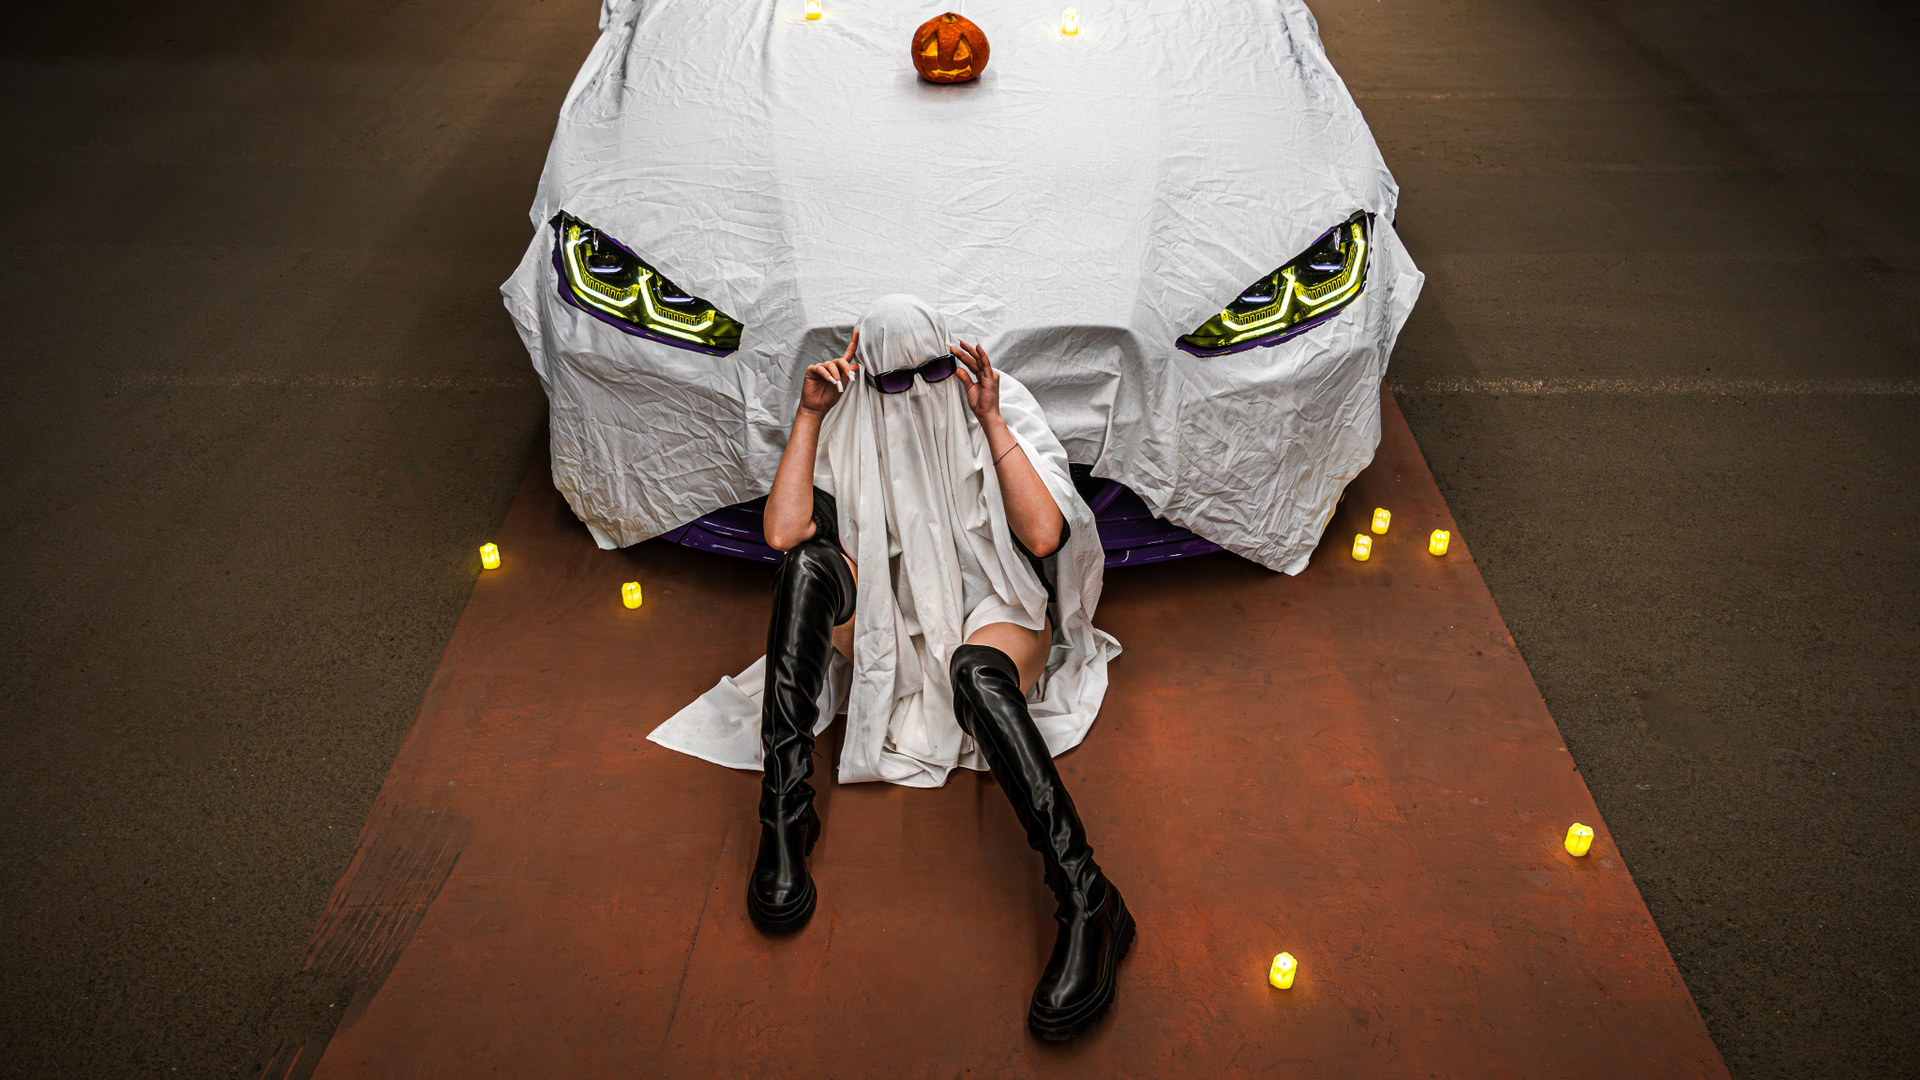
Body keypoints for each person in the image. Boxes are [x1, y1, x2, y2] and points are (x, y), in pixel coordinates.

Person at [650, 295, 1129, 1040]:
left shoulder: (996, 403)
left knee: (974, 674)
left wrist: (989, 418)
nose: (917, 393)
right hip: (888, 613)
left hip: (993, 604)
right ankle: (786, 818)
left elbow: (1041, 537)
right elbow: (783, 532)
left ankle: (1088, 896)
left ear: (955, 358)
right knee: (806, 568)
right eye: (896, 382)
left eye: (933, 371)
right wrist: (809, 414)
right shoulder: (850, 421)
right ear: (871, 382)